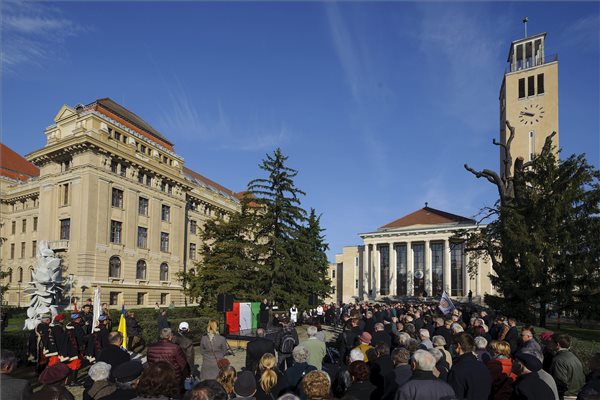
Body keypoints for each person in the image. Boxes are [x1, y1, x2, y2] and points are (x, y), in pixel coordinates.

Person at [447, 332, 492, 400]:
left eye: (453, 344)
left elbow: (454, 395)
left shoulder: (457, 369)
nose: (452, 347)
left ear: (458, 346)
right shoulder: (483, 366)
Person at [549, 333, 585, 398]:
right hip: (576, 394)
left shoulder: (558, 360)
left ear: (558, 345)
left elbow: (560, 383)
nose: (549, 344)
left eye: (551, 342)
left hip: (566, 395)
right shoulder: (573, 356)